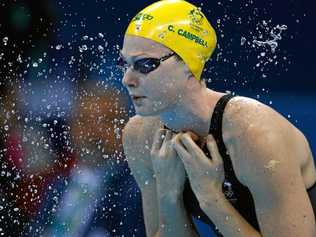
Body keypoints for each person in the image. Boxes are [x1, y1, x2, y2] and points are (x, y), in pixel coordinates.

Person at [120, 0, 316, 236]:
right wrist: (168, 195)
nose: (127, 79)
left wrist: (211, 198)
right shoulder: (140, 136)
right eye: (125, 64)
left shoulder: (254, 134)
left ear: (189, 64)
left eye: (145, 64)